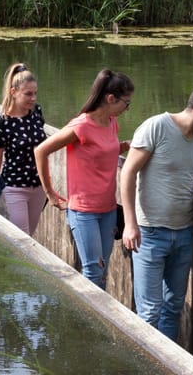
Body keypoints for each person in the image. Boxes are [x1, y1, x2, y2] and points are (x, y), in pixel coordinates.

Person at [119, 79, 193, 342]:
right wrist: (130, 223)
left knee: (173, 308)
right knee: (149, 312)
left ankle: (167, 369)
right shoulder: (156, 127)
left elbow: (188, 166)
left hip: (183, 234)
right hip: (149, 233)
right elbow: (128, 172)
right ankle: (147, 372)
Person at [34, 69, 133, 289]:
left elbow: (100, 151)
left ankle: (99, 318)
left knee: (103, 270)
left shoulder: (112, 122)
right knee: (93, 271)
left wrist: (122, 147)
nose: (127, 109)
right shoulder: (81, 126)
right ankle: (87, 321)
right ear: (110, 99)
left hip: (107, 210)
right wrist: (50, 193)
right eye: (126, 104)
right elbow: (41, 151)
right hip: (83, 211)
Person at [0, 63, 48, 236]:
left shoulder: (36, 112)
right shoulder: (2, 122)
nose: (33, 98)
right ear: (13, 92)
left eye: (35, 93)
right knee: (21, 239)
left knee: (29, 237)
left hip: (38, 187)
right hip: (14, 187)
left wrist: (47, 186)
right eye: (28, 94)